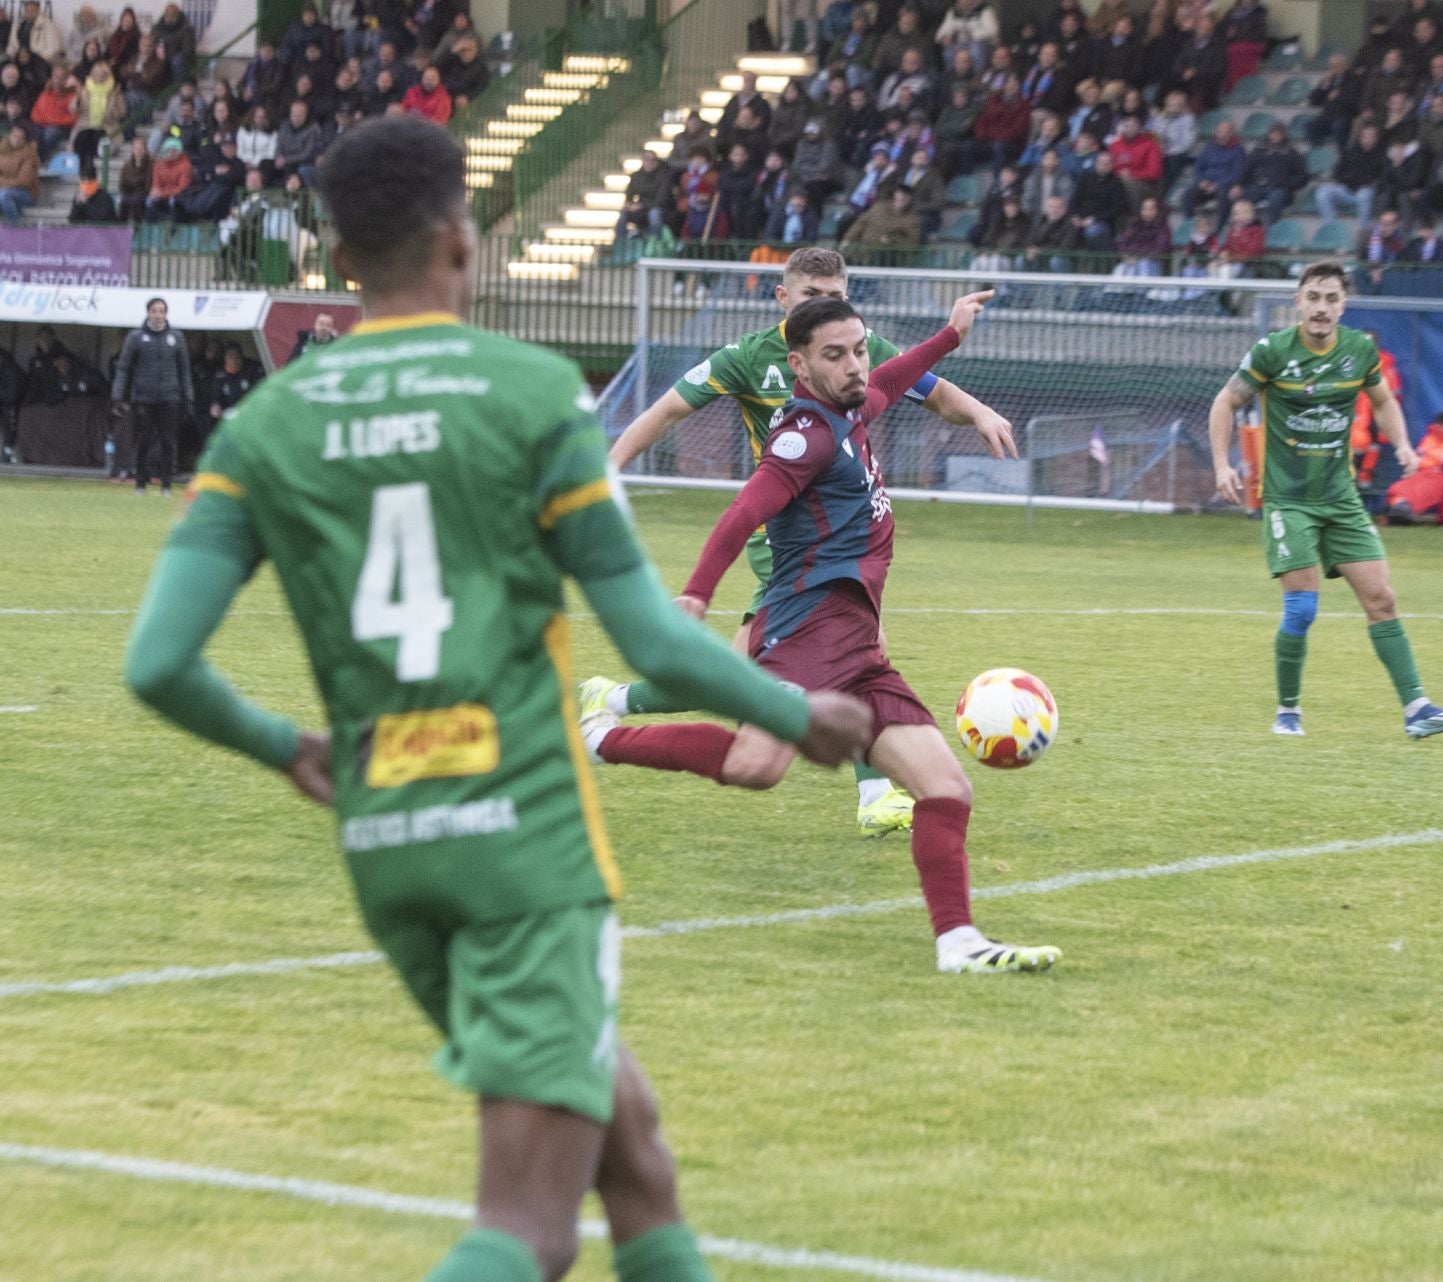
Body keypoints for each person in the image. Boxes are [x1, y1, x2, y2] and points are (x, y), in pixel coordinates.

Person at [123, 115, 871, 1282]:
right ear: (461, 242)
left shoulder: (266, 426)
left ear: (338, 255)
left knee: (634, 1153)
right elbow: (649, 640)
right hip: (521, 844)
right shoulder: (530, 395)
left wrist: (284, 746)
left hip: (390, 842)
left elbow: (157, 662)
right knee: (528, 1224)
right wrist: (796, 714)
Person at [581, 289, 1059, 977]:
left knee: (945, 787)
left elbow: (893, 378)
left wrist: (950, 335)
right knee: (757, 766)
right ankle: (598, 739)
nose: (855, 365)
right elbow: (744, 513)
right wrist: (697, 592)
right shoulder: (804, 436)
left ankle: (959, 945)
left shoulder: (854, 403)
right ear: (800, 366)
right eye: (836, 356)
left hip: (856, 640)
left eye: (859, 350)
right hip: (805, 629)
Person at [602, 247, 1017, 837]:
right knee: (761, 738)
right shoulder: (766, 377)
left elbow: (905, 380)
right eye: (814, 298)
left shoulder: (854, 367)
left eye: (838, 299)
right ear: (785, 305)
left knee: (754, 673)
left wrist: (956, 348)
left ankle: (612, 704)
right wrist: (691, 584)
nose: (853, 359)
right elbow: (724, 481)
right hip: (795, 548)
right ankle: (608, 720)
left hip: (834, 549)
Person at [1208, 261, 1443, 740]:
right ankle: (1288, 712)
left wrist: (1402, 444)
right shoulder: (1273, 351)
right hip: (1290, 500)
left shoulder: (1358, 350)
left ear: (1343, 306)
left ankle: (1417, 709)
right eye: (1313, 297)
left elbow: (1383, 400)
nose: (1321, 307)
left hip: (1341, 499)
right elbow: (1225, 401)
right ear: (1298, 301)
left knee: (1382, 598)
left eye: (1331, 299)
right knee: (1301, 610)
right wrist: (1222, 466)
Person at [109, 297, 194, 495]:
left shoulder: (176, 337)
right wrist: (117, 396)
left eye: (161, 311)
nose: (158, 315)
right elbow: (123, 368)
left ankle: (166, 485)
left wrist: (188, 396)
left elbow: (184, 369)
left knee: (168, 442)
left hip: (169, 396)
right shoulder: (136, 337)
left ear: (166, 314)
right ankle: (140, 484)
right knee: (143, 441)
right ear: (148, 313)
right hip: (143, 397)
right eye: (154, 311)